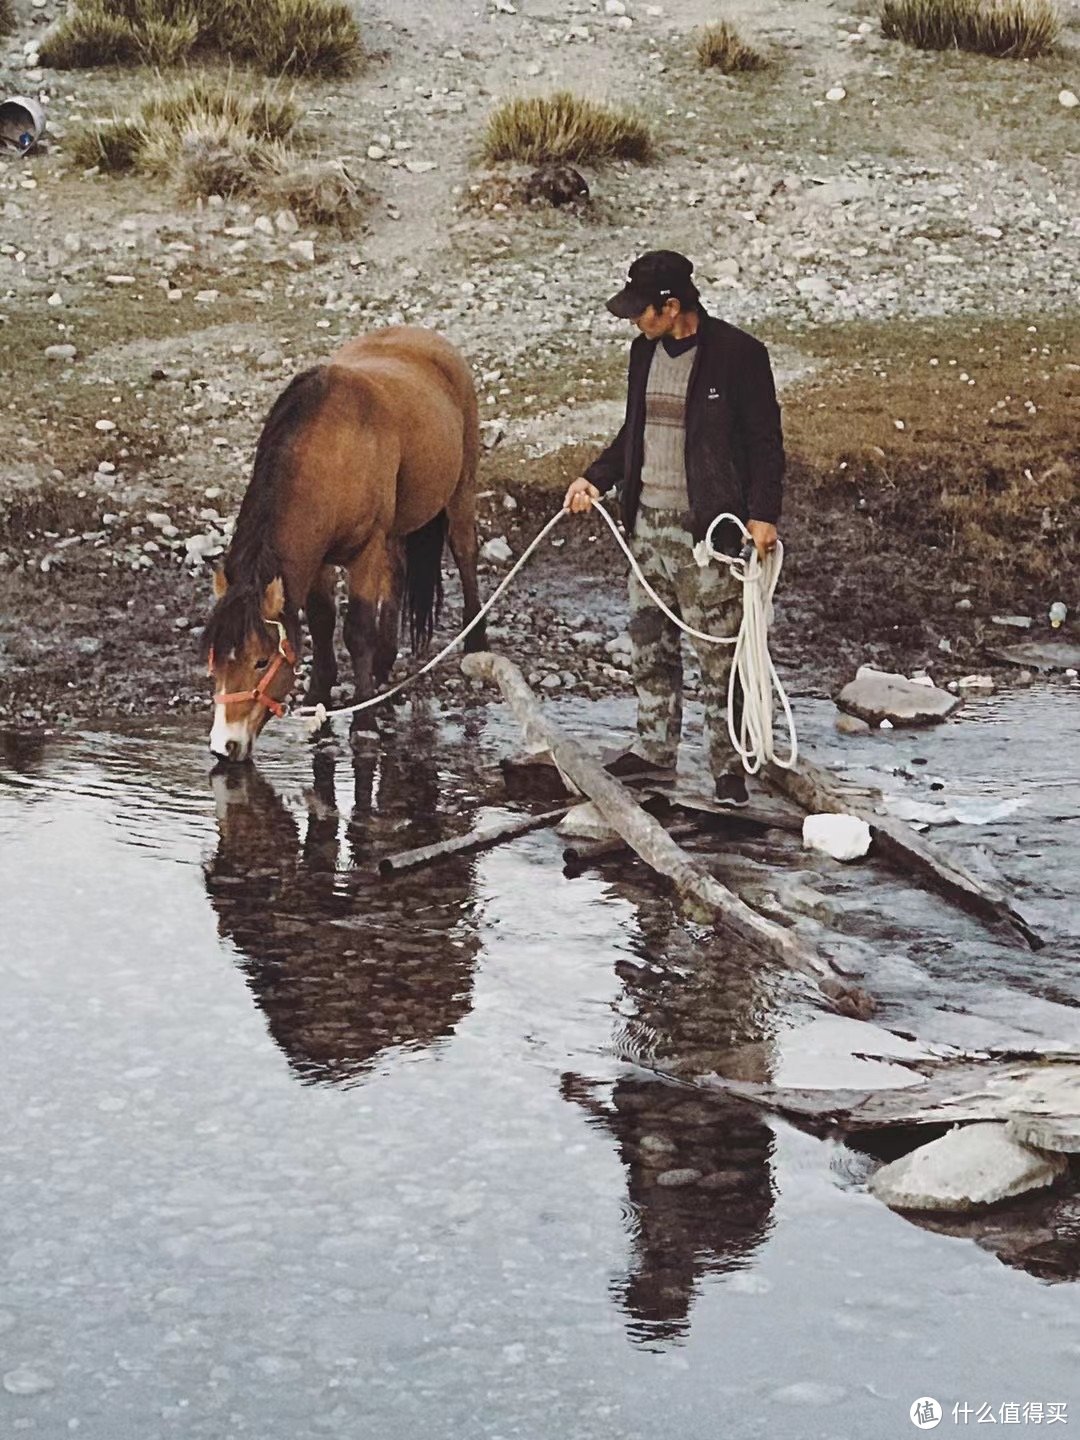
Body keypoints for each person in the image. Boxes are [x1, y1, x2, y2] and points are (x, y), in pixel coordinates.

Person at [564, 250, 785, 806]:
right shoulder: (643, 353)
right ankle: (654, 749)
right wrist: (595, 479)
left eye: (642, 310)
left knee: (719, 652)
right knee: (649, 643)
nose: (634, 320)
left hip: (708, 534)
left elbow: (765, 443)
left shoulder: (739, 355)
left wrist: (764, 515)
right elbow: (631, 432)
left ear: (672, 305)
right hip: (644, 526)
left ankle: (728, 766)